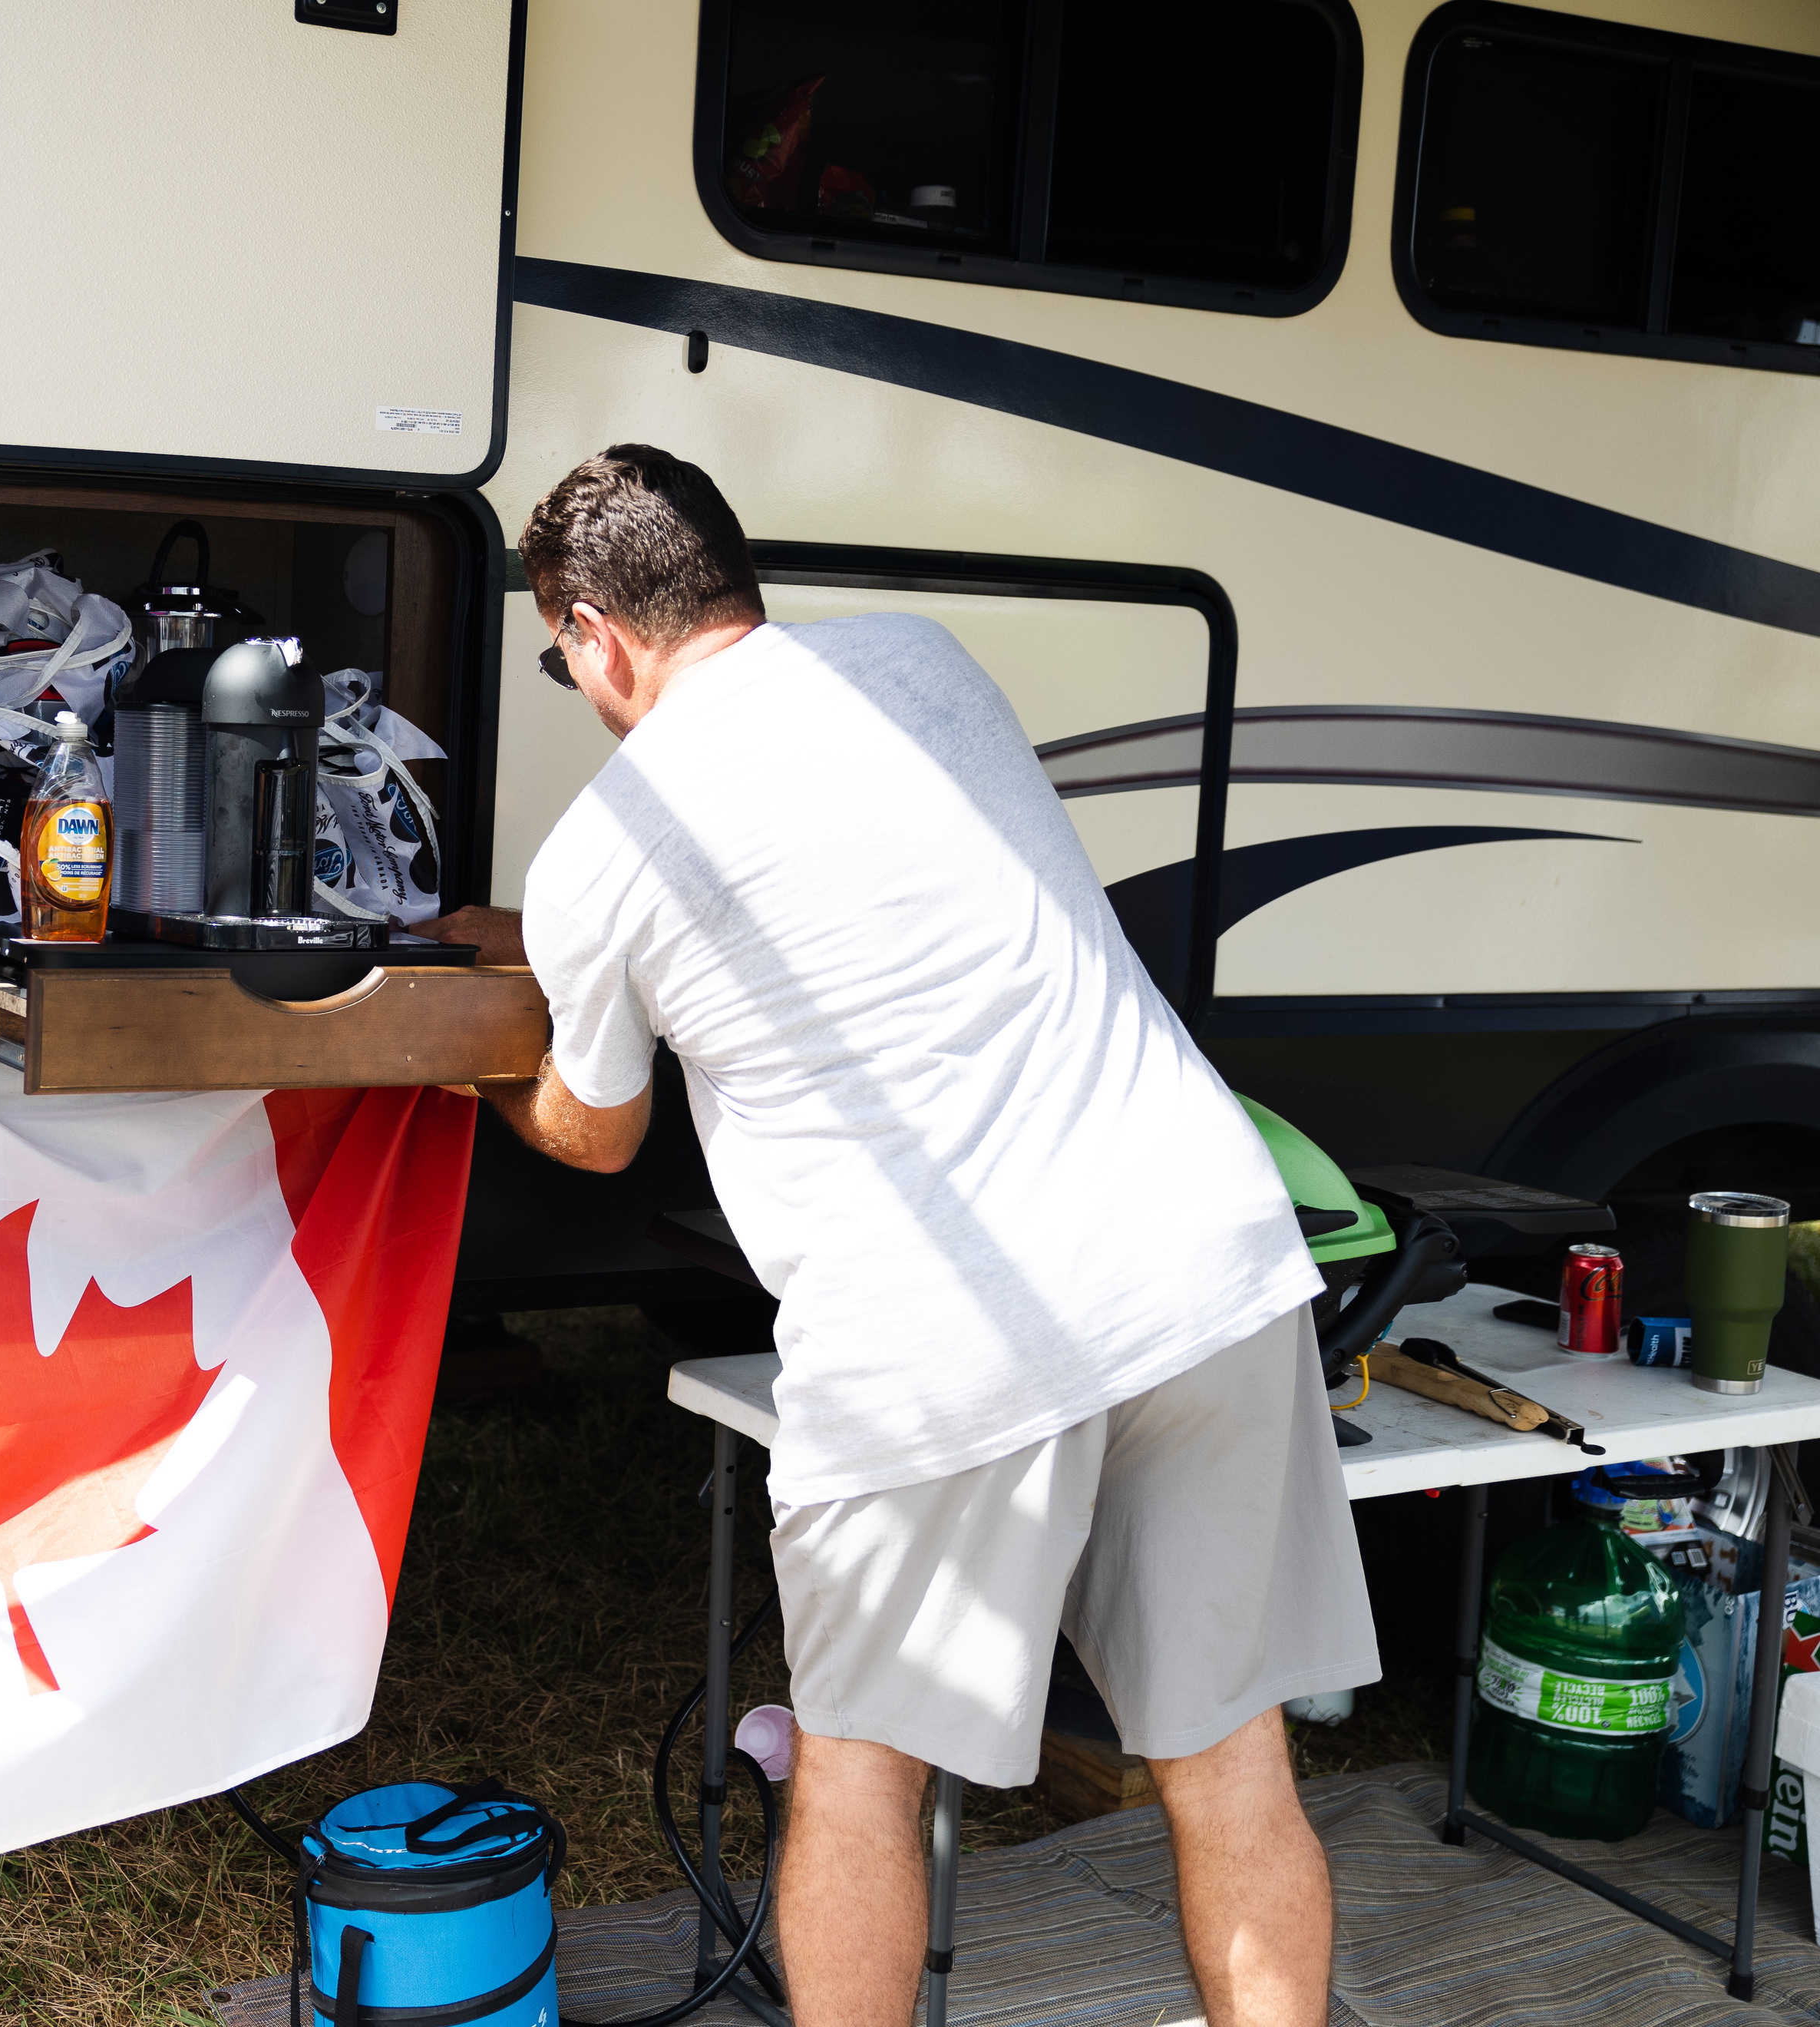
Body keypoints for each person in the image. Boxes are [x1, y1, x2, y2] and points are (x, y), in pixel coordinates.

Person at [420, 445, 1376, 2027]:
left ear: (593, 633)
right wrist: (554, 949)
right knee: (1231, 1760)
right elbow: (853, 895)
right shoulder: (919, 663)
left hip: (944, 1339)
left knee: (860, 1780)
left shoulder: (602, 850)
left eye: (557, 654)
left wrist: (474, 1047)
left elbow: (598, 1131)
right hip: (1201, 1257)